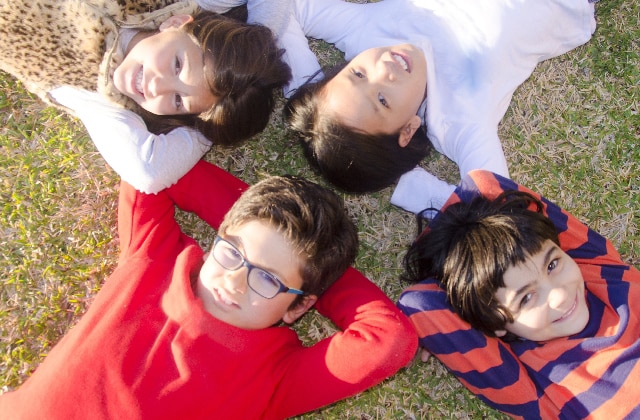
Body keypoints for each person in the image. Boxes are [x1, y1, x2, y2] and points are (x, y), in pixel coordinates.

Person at [0, 159, 417, 419]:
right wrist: (244, 219)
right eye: (231, 253)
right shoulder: (154, 259)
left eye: (268, 279)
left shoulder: (275, 378)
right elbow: (153, 167)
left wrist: (320, 266)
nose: (234, 280)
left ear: (299, 308)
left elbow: (389, 339)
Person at [277, 0, 596, 212]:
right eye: (382, 100)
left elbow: (285, 7)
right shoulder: (460, 119)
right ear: (408, 129)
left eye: (357, 73)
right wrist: (419, 192)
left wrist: (306, 89)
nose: (384, 68)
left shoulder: (363, 33)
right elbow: (496, 206)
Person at [397, 169, 640, 419]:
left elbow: (485, 184)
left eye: (553, 265)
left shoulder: (606, 278)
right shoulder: (529, 387)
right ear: (496, 324)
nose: (559, 295)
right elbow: (420, 304)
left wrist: (466, 231)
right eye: (525, 298)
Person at [0, 0, 291, 192]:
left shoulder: (100, 98)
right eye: (178, 65)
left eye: (178, 100)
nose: (157, 86)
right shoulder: (171, 6)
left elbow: (148, 172)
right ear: (176, 23)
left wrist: (208, 127)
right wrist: (259, 45)